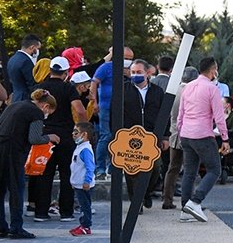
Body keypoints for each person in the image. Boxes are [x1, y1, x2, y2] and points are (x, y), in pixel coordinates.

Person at [29, 57, 85, 222]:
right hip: (66, 136)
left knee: (44, 174)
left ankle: (41, 212)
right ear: (67, 72)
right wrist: (83, 128)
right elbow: (79, 109)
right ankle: (66, 212)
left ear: (51, 70)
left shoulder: (39, 88)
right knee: (67, 173)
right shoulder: (68, 88)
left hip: (44, 135)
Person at [0, 89, 60, 239]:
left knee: (0, 189)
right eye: (49, 112)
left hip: (0, 146)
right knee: (16, 189)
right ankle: (16, 227)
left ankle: (1, 226)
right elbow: (34, 138)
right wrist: (49, 137)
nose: (47, 116)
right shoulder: (36, 113)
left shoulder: (14, 105)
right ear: (45, 106)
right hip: (14, 151)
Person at [176, 58, 230, 223]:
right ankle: (196, 201)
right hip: (203, 134)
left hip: (186, 133)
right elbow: (219, 117)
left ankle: (185, 208)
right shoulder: (212, 89)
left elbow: (181, 114)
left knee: (189, 172)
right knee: (214, 169)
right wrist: (225, 138)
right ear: (213, 71)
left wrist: (180, 131)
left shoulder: (188, 87)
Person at [122, 60, 167, 210]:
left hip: (151, 136)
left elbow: (163, 114)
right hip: (129, 137)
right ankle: (136, 201)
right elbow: (115, 113)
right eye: (133, 72)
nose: (135, 75)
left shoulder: (157, 92)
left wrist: (165, 136)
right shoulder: (123, 90)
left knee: (155, 167)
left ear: (147, 73)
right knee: (131, 170)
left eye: (138, 72)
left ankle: (146, 192)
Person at [92, 46, 135, 180]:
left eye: (130, 59)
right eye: (125, 58)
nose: (127, 61)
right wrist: (94, 102)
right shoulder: (106, 67)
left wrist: (130, 75)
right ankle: (100, 169)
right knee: (106, 135)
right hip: (106, 106)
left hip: (123, 108)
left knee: (120, 137)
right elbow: (94, 83)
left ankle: (114, 167)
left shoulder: (130, 71)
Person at [160, 67, 199, 210]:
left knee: (172, 168)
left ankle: (167, 199)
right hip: (189, 134)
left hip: (174, 133)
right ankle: (190, 201)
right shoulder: (192, 92)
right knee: (191, 170)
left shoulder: (174, 90)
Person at [69, 121, 96, 236]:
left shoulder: (85, 150)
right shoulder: (79, 148)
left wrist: (87, 181)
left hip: (83, 184)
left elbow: (90, 167)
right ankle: (83, 224)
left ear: (84, 135)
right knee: (82, 205)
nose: (73, 134)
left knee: (85, 206)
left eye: (76, 132)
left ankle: (86, 226)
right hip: (78, 183)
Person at [6, 35, 41, 103]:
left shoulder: (12, 59)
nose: (38, 51)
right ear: (32, 47)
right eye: (38, 48)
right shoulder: (26, 61)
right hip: (25, 98)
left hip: (15, 97)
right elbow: (31, 83)